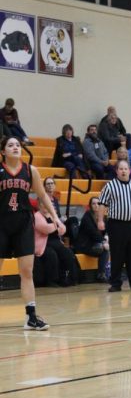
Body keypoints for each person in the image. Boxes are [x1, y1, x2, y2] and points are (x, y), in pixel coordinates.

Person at [0, 135, 60, 329]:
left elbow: (42, 196)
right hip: (2, 224)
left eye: (18, 144)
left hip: (23, 225)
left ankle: (31, 317)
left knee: (26, 271)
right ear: (3, 151)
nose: (15, 147)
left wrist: (56, 218)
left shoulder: (30, 170)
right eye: (10, 145)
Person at [97, 160, 131, 292]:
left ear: (129, 171)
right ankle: (115, 283)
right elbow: (102, 204)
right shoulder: (110, 186)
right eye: (121, 169)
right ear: (117, 171)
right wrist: (100, 220)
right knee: (118, 254)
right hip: (116, 224)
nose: (124, 171)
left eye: (126, 168)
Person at [33, 197, 67, 287]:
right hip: (42, 244)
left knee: (67, 253)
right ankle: (52, 281)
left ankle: (66, 278)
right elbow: (45, 229)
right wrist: (56, 226)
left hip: (55, 241)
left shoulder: (53, 215)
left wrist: (55, 226)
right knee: (52, 254)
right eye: (45, 203)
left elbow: (63, 229)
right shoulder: (37, 216)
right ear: (40, 204)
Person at [75, 196, 110, 282]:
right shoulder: (87, 217)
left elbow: (107, 230)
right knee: (104, 249)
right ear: (90, 206)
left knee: (109, 248)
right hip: (85, 245)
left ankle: (109, 274)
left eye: (98, 203)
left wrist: (106, 238)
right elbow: (93, 233)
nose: (96, 205)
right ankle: (101, 275)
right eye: (93, 203)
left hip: (96, 243)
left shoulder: (102, 217)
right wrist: (103, 242)